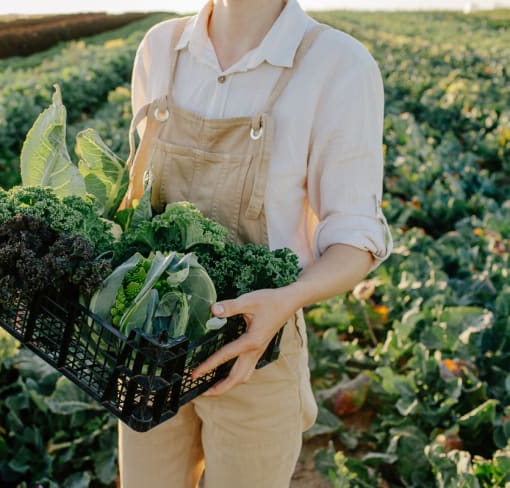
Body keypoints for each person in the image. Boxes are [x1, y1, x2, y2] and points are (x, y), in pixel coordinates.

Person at [118, 0, 393, 486]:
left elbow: (356, 237)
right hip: (150, 343)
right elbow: (136, 201)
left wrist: (286, 300)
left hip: (256, 350)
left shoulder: (338, 65)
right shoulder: (160, 47)